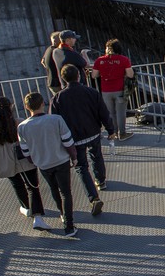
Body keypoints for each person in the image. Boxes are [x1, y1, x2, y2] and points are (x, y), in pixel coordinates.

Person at [0, 97, 51, 231]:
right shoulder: (18, 123)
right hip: (23, 159)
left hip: (6, 162)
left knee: (17, 185)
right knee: (32, 186)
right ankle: (37, 217)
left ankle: (26, 208)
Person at [52, 64, 113, 210]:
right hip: (93, 132)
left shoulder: (58, 98)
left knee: (81, 167)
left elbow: (55, 121)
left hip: (74, 138)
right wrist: (110, 129)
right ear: (79, 76)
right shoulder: (91, 92)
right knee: (96, 155)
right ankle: (101, 180)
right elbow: (103, 112)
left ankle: (93, 198)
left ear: (63, 79)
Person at [18, 92, 79, 237]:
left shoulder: (22, 127)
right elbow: (67, 141)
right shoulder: (56, 119)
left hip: (43, 164)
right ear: (42, 104)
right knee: (66, 192)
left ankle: (62, 214)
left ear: (27, 107)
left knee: (54, 189)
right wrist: (74, 157)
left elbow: (25, 150)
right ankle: (69, 226)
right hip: (61, 160)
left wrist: (34, 160)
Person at [92, 38, 135, 141]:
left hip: (106, 91)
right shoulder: (124, 59)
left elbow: (94, 75)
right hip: (119, 90)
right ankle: (123, 134)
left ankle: (113, 133)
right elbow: (130, 74)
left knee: (110, 113)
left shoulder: (99, 60)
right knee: (121, 112)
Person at [41, 31, 63, 96]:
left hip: (51, 81)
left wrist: (50, 68)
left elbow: (42, 61)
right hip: (57, 83)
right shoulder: (57, 51)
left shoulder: (49, 49)